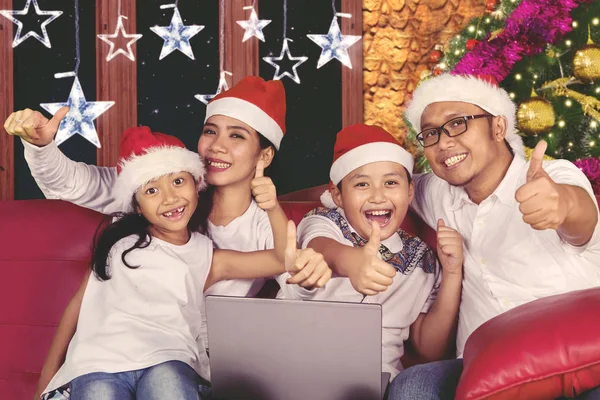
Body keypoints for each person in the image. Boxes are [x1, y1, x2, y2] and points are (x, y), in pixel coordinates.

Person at [4, 77, 330, 397]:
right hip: (109, 361)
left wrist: (285, 227)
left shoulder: (253, 228)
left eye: (237, 136)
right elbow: (70, 183)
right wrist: (42, 145)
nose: (218, 146)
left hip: (190, 366)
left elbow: (292, 278)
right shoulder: (159, 186)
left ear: (264, 156)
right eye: (210, 131)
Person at [387, 73, 600, 399]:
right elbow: (381, 183)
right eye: (431, 134)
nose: (444, 143)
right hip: (481, 370)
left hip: (574, 360)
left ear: (498, 128)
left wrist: (560, 205)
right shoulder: (437, 193)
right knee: (413, 387)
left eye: (457, 123)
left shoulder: (553, 177)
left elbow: (579, 215)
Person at [280, 124, 463, 381]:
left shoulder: (423, 259)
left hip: (376, 381)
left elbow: (429, 349)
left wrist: (453, 272)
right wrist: (353, 263)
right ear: (338, 196)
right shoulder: (324, 221)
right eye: (362, 184)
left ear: (409, 192)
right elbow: (322, 248)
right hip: (304, 370)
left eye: (390, 183)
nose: (378, 196)